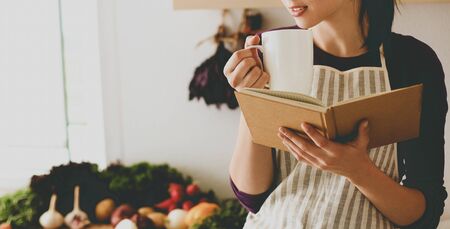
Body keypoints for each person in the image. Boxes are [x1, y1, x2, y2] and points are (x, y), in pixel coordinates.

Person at [223, 0, 448, 228]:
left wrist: (359, 171)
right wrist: (250, 98)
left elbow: (423, 216)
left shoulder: (413, 62)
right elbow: (252, 197)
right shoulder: (273, 48)